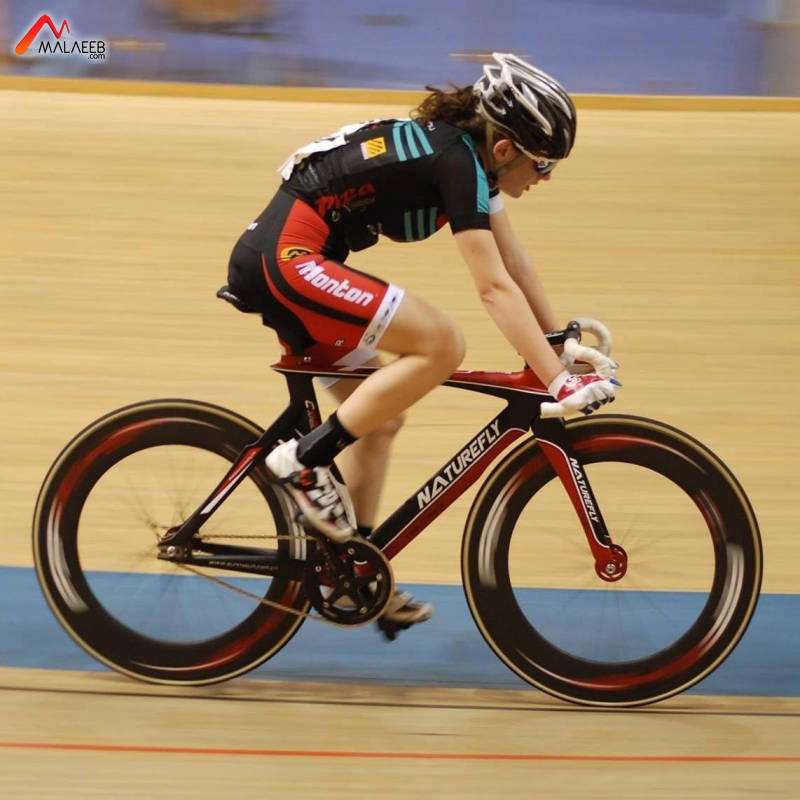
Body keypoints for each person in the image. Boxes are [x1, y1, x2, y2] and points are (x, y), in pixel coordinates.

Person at [226, 52, 619, 630]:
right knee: (441, 345)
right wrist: (557, 382)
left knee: (380, 420)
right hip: (288, 259)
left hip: (295, 258)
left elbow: (514, 264)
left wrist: (556, 344)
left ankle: (351, 573)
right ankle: (305, 461)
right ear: (505, 149)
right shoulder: (455, 161)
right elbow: (492, 288)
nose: (546, 177)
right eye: (543, 164)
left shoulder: (469, 159)